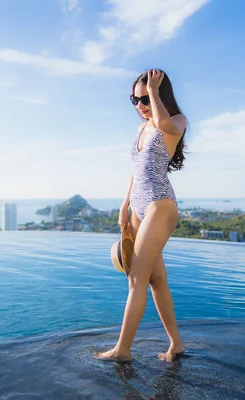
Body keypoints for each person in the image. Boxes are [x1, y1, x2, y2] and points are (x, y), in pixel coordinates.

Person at [94, 69, 187, 363]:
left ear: (160, 95)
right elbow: (136, 170)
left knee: (136, 278)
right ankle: (176, 346)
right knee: (156, 280)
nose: (140, 105)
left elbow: (163, 123)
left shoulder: (176, 122)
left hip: (160, 205)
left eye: (145, 98)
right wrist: (124, 205)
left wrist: (156, 94)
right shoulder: (141, 128)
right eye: (134, 99)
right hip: (137, 208)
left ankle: (122, 351)